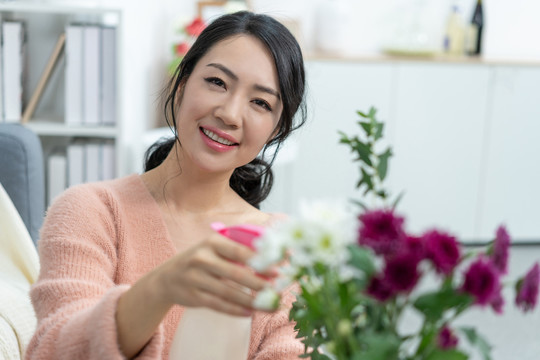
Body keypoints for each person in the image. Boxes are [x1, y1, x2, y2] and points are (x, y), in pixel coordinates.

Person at [26, 11, 307, 360]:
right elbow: (55, 349)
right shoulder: (90, 211)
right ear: (182, 82)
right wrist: (161, 288)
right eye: (217, 82)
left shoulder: (284, 248)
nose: (230, 114)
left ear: (276, 129)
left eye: (260, 103)